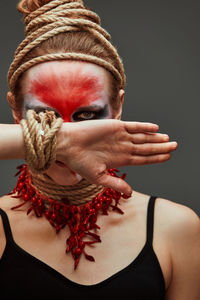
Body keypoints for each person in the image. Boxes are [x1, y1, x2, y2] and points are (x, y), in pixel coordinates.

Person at [0, 0, 199, 299]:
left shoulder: (175, 229)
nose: (70, 140)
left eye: (87, 116)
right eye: (46, 117)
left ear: (118, 108)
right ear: (16, 112)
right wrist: (54, 140)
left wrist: (48, 136)